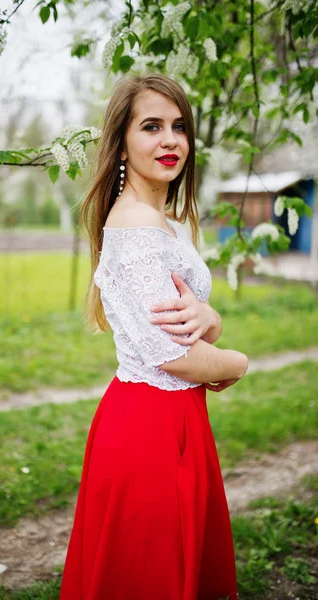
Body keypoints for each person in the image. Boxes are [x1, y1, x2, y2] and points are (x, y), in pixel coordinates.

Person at [59, 73, 248, 600]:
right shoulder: (138, 229)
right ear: (121, 142)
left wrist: (209, 318)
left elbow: (196, 324)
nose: (171, 140)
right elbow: (175, 356)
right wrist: (238, 362)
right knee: (150, 574)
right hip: (149, 431)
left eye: (179, 127)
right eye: (152, 126)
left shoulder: (164, 221)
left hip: (176, 420)